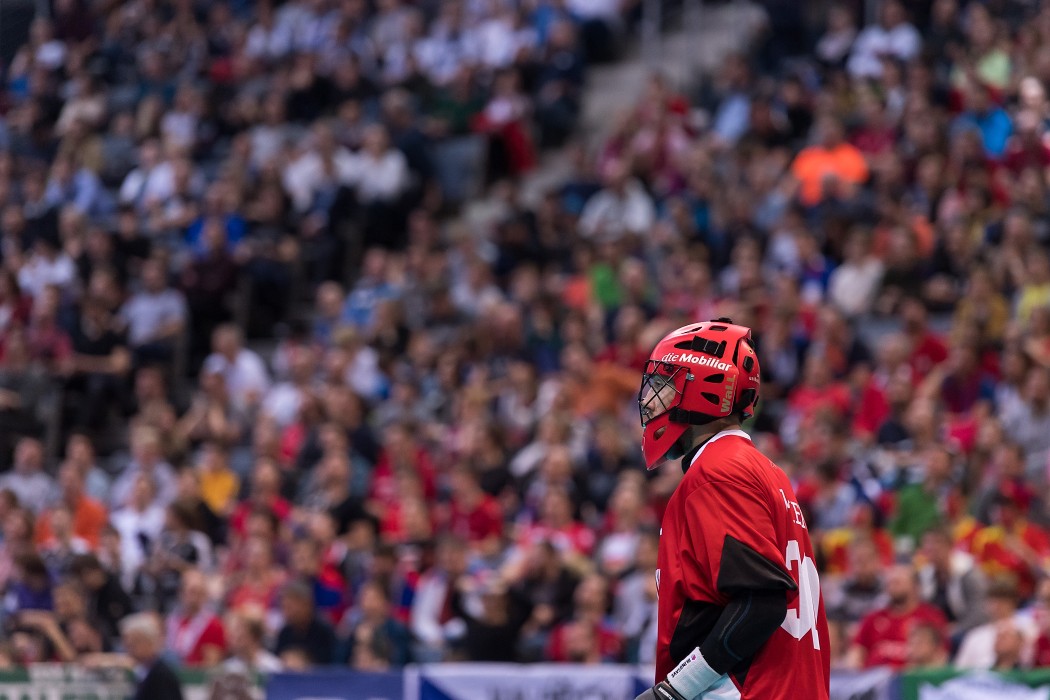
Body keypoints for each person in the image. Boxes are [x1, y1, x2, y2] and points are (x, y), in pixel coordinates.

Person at [633, 319, 829, 700]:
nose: (649, 399)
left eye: (665, 384)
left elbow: (761, 602)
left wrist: (674, 690)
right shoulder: (765, 470)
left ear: (703, 389)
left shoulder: (718, 471)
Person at [122, 613, 184, 700]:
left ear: (149, 642)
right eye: (128, 644)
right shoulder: (142, 670)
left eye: (134, 642)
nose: (129, 648)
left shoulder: (162, 675)